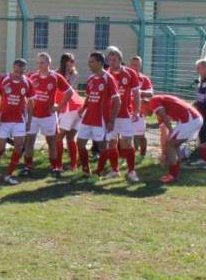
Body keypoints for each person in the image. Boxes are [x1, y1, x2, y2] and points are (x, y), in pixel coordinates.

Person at [23, 53, 74, 178]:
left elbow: (70, 92)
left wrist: (59, 106)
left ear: (48, 64)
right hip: (33, 116)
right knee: (29, 141)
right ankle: (27, 167)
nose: (40, 65)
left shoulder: (56, 77)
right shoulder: (32, 77)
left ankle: (55, 167)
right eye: (38, 62)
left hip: (48, 116)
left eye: (42, 62)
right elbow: (23, 92)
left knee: (52, 141)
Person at [76, 51, 121, 182]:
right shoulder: (90, 79)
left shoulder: (108, 78)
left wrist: (111, 121)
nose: (89, 64)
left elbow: (117, 101)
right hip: (87, 118)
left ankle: (99, 172)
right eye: (89, 61)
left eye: (92, 61)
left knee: (103, 146)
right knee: (80, 143)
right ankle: (86, 169)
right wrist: (83, 108)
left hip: (101, 120)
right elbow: (89, 97)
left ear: (100, 63)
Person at [0, 59, 34, 185]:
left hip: (20, 120)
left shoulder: (27, 82)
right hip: (3, 119)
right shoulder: (3, 79)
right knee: (1, 147)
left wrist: (29, 121)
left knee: (19, 146)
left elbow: (31, 103)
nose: (18, 74)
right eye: (16, 71)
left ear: (24, 71)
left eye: (21, 72)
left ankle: (8, 175)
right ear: (13, 68)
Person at [144, 94, 204, 183]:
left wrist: (171, 130)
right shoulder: (158, 102)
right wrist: (164, 153)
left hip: (189, 119)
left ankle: (173, 174)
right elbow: (164, 127)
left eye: (141, 110)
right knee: (174, 144)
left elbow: (164, 117)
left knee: (171, 144)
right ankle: (177, 170)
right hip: (191, 118)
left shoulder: (153, 101)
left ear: (143, 103)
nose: (143, 113)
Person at [104, 46, 142, 182]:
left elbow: (137, 94)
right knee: (111, 143)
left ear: (120, 59)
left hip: (125, 115)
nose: (112, 62)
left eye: (114, 59)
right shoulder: (105, 75)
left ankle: (132, 171)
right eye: (110, 60)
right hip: (110, 116)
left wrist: (137, 111)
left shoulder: (130, 73)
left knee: (127, 142)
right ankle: (115, 170)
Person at [55, 53, 83, 171]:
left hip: (70, 108)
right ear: (64, 62)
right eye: (70, 61)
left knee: (59, 137)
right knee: (69, 138)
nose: (72, 64)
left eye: (73, 62)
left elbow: (69, 90)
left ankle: (60, 165)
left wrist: (67, 74)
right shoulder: (56, 73)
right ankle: (72, 165)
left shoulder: (73, 74)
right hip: (67, 107)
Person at [128, 55, 154, 161]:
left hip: (139, 111)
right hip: (125, 110)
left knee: (140, 136)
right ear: (130, 65)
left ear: (140, 66)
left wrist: (140, 92)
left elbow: (151, 93)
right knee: (127, 136)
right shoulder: (125, 77)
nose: (134, 67)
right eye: (133, 65)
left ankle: (142, 155)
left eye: (137, 65)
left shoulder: (144, 79)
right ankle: (129, 156)